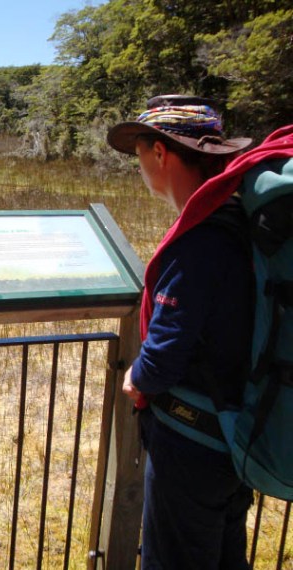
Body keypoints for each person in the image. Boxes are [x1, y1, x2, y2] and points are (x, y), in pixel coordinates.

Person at [106, 94, 256, 569]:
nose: (139, 165)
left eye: (139, 153)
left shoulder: (199, 242)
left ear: (160, 154)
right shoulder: (241, 222)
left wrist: (137, 378)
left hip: (192, 441)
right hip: (237, 432)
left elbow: (166, 351)